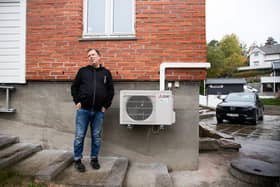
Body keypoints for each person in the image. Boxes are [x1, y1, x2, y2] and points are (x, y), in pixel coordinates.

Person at [71, 48, 114, 172]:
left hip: (98, 112)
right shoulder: (82, 71)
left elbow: (110, 91)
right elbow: (74, 87)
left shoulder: (106, 73)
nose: (91, 57)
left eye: (93, 55)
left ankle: (94, 159)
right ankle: (78, 160)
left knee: (96, 136)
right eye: (89, 55)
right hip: (83, 110)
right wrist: (77, 101)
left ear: (99, 56)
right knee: (79, 136)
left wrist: (106, 105)